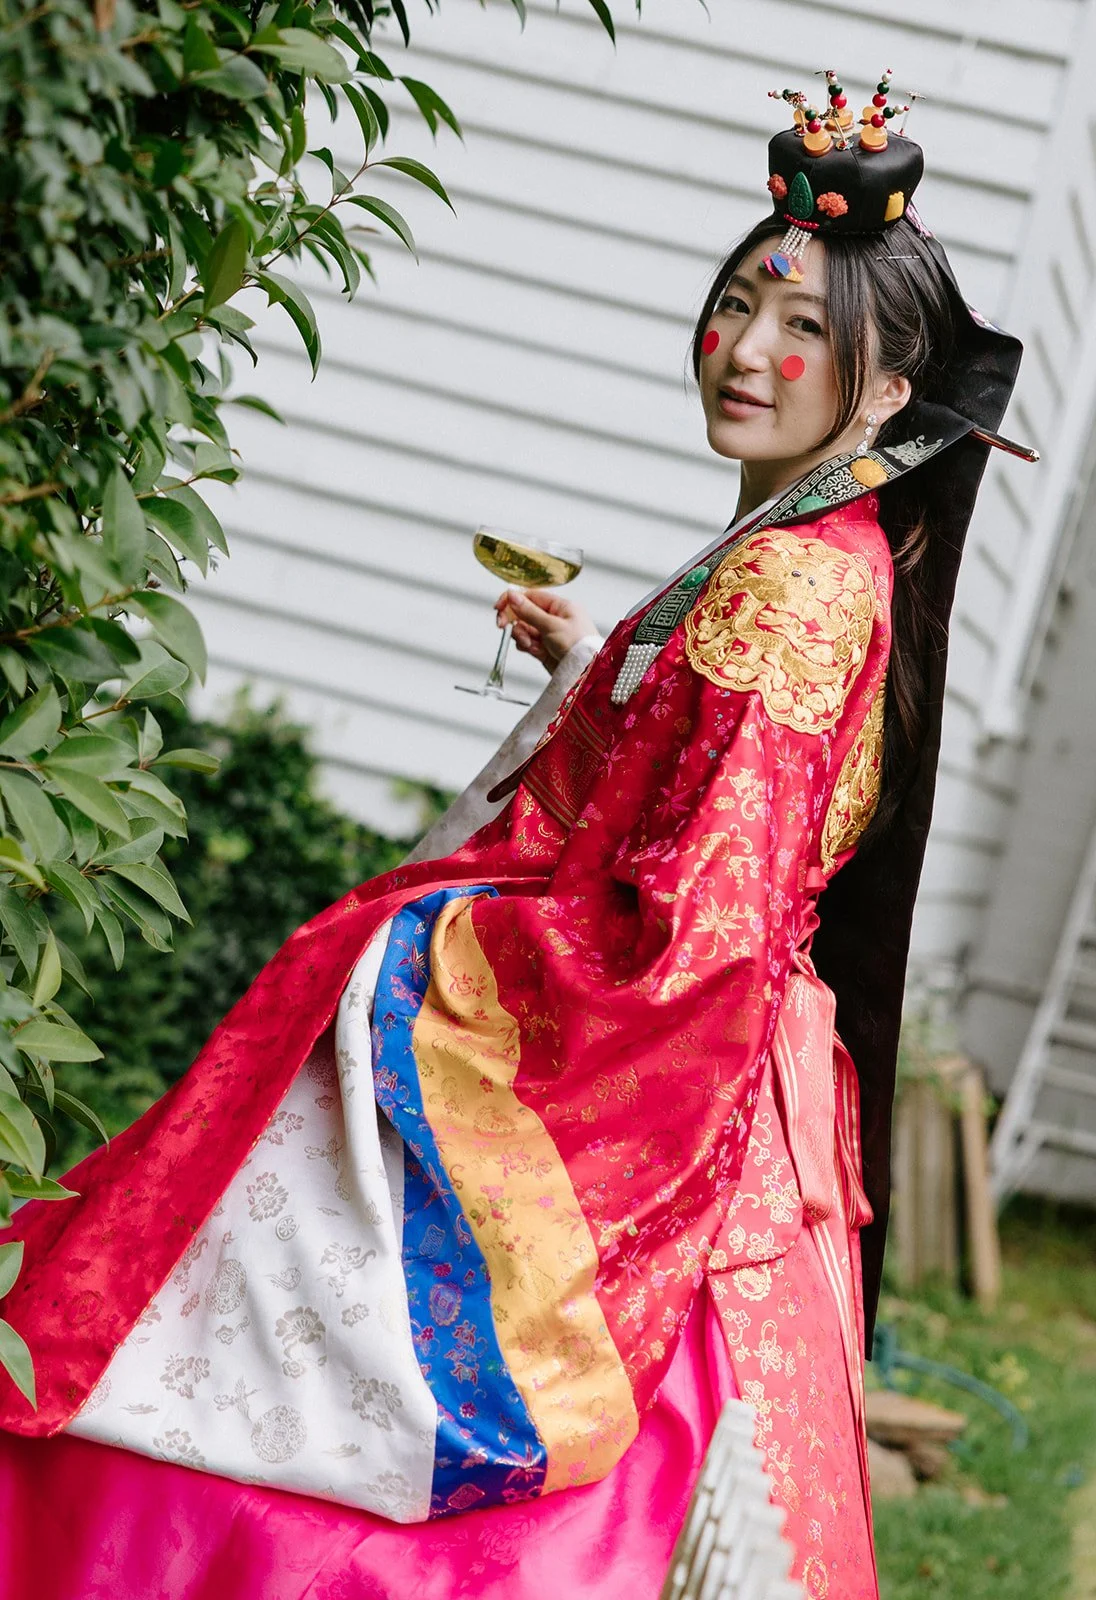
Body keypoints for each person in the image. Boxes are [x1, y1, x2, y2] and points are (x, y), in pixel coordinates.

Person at [0, 73, 1029, 1600]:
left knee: (251, 1386)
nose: (749, 350)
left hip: (665, 1065)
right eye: (742, 302)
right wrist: (595, 668)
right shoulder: (817, 549)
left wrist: (424, 952)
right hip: (750, 1080)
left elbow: (697, 931)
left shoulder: (793, 588)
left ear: (883, 393)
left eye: (803, 330)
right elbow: (704, 801)